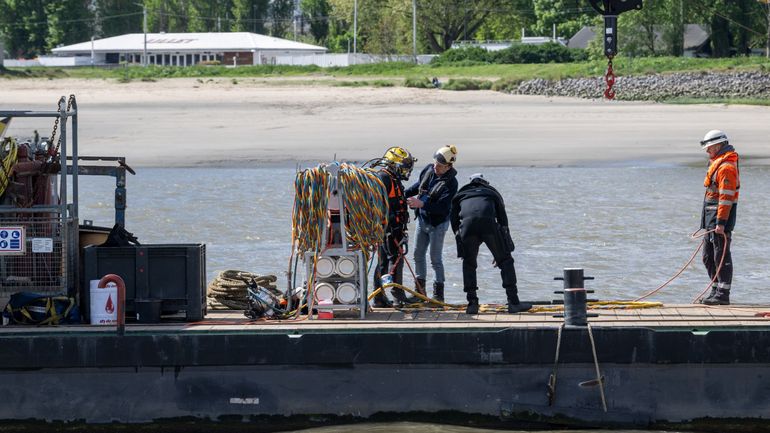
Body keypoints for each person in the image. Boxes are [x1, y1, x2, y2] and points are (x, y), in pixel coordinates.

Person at [450, 173, 531, 314]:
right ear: (485, 182)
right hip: (488, 224)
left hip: (467, 227)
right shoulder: (492, 193)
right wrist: (501, 250)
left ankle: (472, 304)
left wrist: (460, 239)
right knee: (506, 261)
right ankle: (513, 302)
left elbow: (453, 221)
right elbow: (503, 221)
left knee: (469, 263)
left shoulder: (460, 194)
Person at [404, 145, 459, 303]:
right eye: (435, 163)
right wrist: (402, 195)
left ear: (448, 167)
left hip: (438, 224)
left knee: (435, 259)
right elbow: (418, 186)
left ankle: (438, 296)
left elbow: (442, 208)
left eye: (440, 166)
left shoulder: (452, 183)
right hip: (423, 220)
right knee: (417, 255)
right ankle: (419, 293)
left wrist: (421, 204)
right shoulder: (429, 169)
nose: (436, 167)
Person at [699, 130, 740, 306]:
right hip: (711, 218)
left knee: (721, 255)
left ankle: (723, 294)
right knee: (708, 256)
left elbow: (726, 198)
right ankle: (715, 289)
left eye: (709, 148)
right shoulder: (718, 163)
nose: (707, 151)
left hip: (719, 220)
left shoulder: (726, 168)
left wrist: (721, 223)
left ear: (718, 146)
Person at [372, 146, 415, 308]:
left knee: (385, 262)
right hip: (389, 229)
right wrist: (389, 224)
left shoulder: (391, 177)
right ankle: (397, 296)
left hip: (393, 228)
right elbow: (379, 204)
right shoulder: (384, 177)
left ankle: (380, 297)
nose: (405, 172)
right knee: (394, 260)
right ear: (393, 165)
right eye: (403, 168)